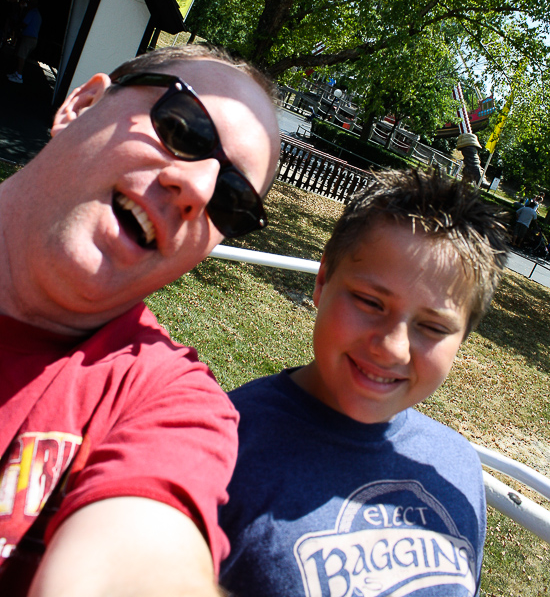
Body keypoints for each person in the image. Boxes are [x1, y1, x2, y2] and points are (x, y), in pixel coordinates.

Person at [0, 44, 281, 596]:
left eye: (230, 197)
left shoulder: (169, 406)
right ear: (79, 105)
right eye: (184, 128)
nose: (197, 189)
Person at [219, 168, 509, 597]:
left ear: (463, 338)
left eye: (432, 327)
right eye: (370, 302)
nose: (392, 348)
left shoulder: (458, 468)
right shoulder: (223, 449)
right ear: (321, 283)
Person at [7, 0, 42, 84]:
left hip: (29, 38)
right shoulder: (38, 14)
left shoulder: (32, 13)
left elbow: (24, 24)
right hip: (33, 39)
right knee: (22, 56)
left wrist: (16, 28)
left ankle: (19, 76)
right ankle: (17, 73)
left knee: (21, 56)